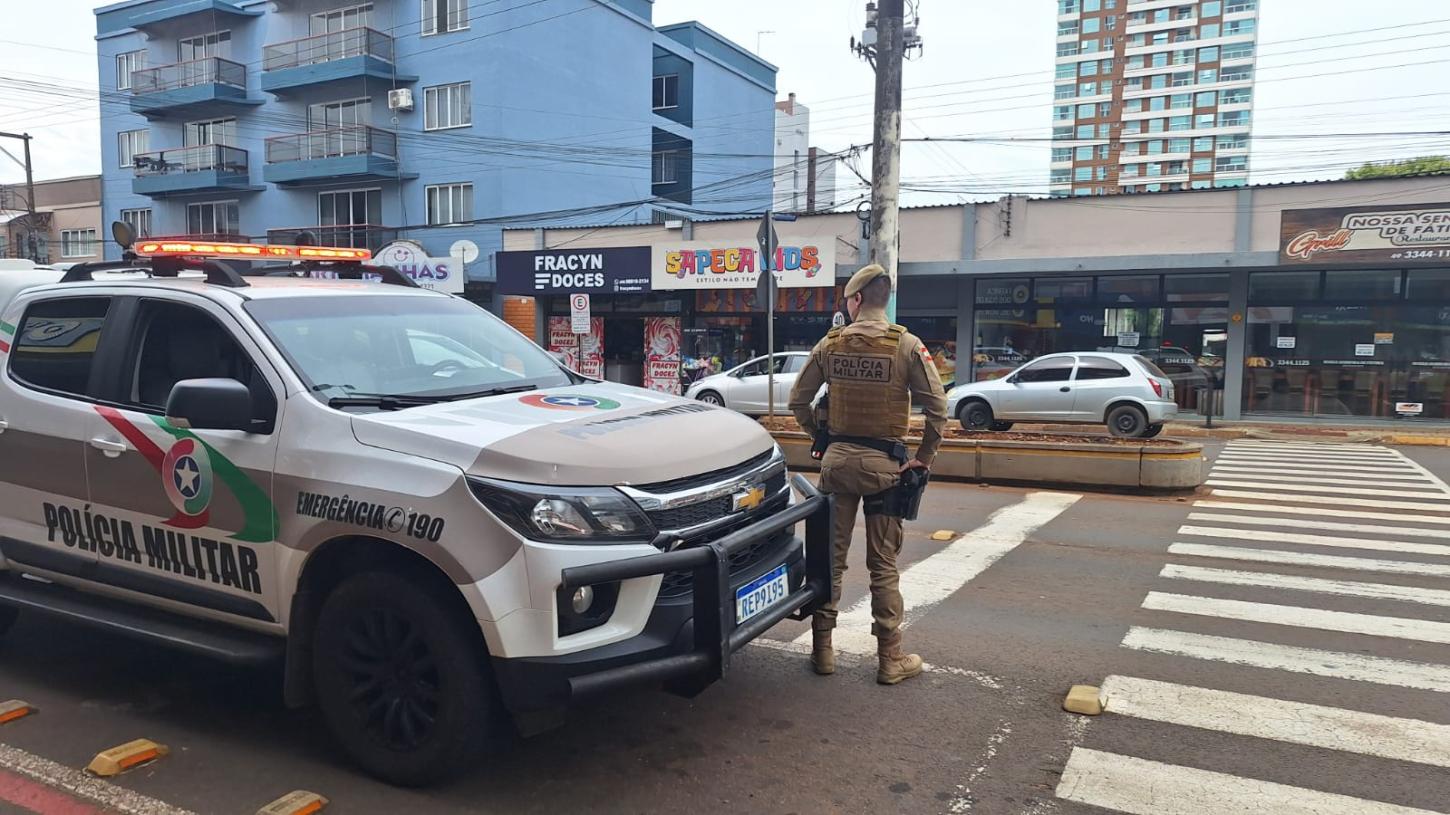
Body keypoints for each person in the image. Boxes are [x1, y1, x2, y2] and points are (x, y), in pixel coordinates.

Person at [787, 264, 948, 685]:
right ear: (885, 300)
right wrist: (924, 458)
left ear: (856, 300)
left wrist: (822, 438)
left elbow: (797, 402)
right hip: (887, 469)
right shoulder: (907, 345)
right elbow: (938, 411)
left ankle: (823, 651)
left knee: (831, 559)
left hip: (837, 465)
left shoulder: (830, 343)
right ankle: (890, 660)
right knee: (883, 564)